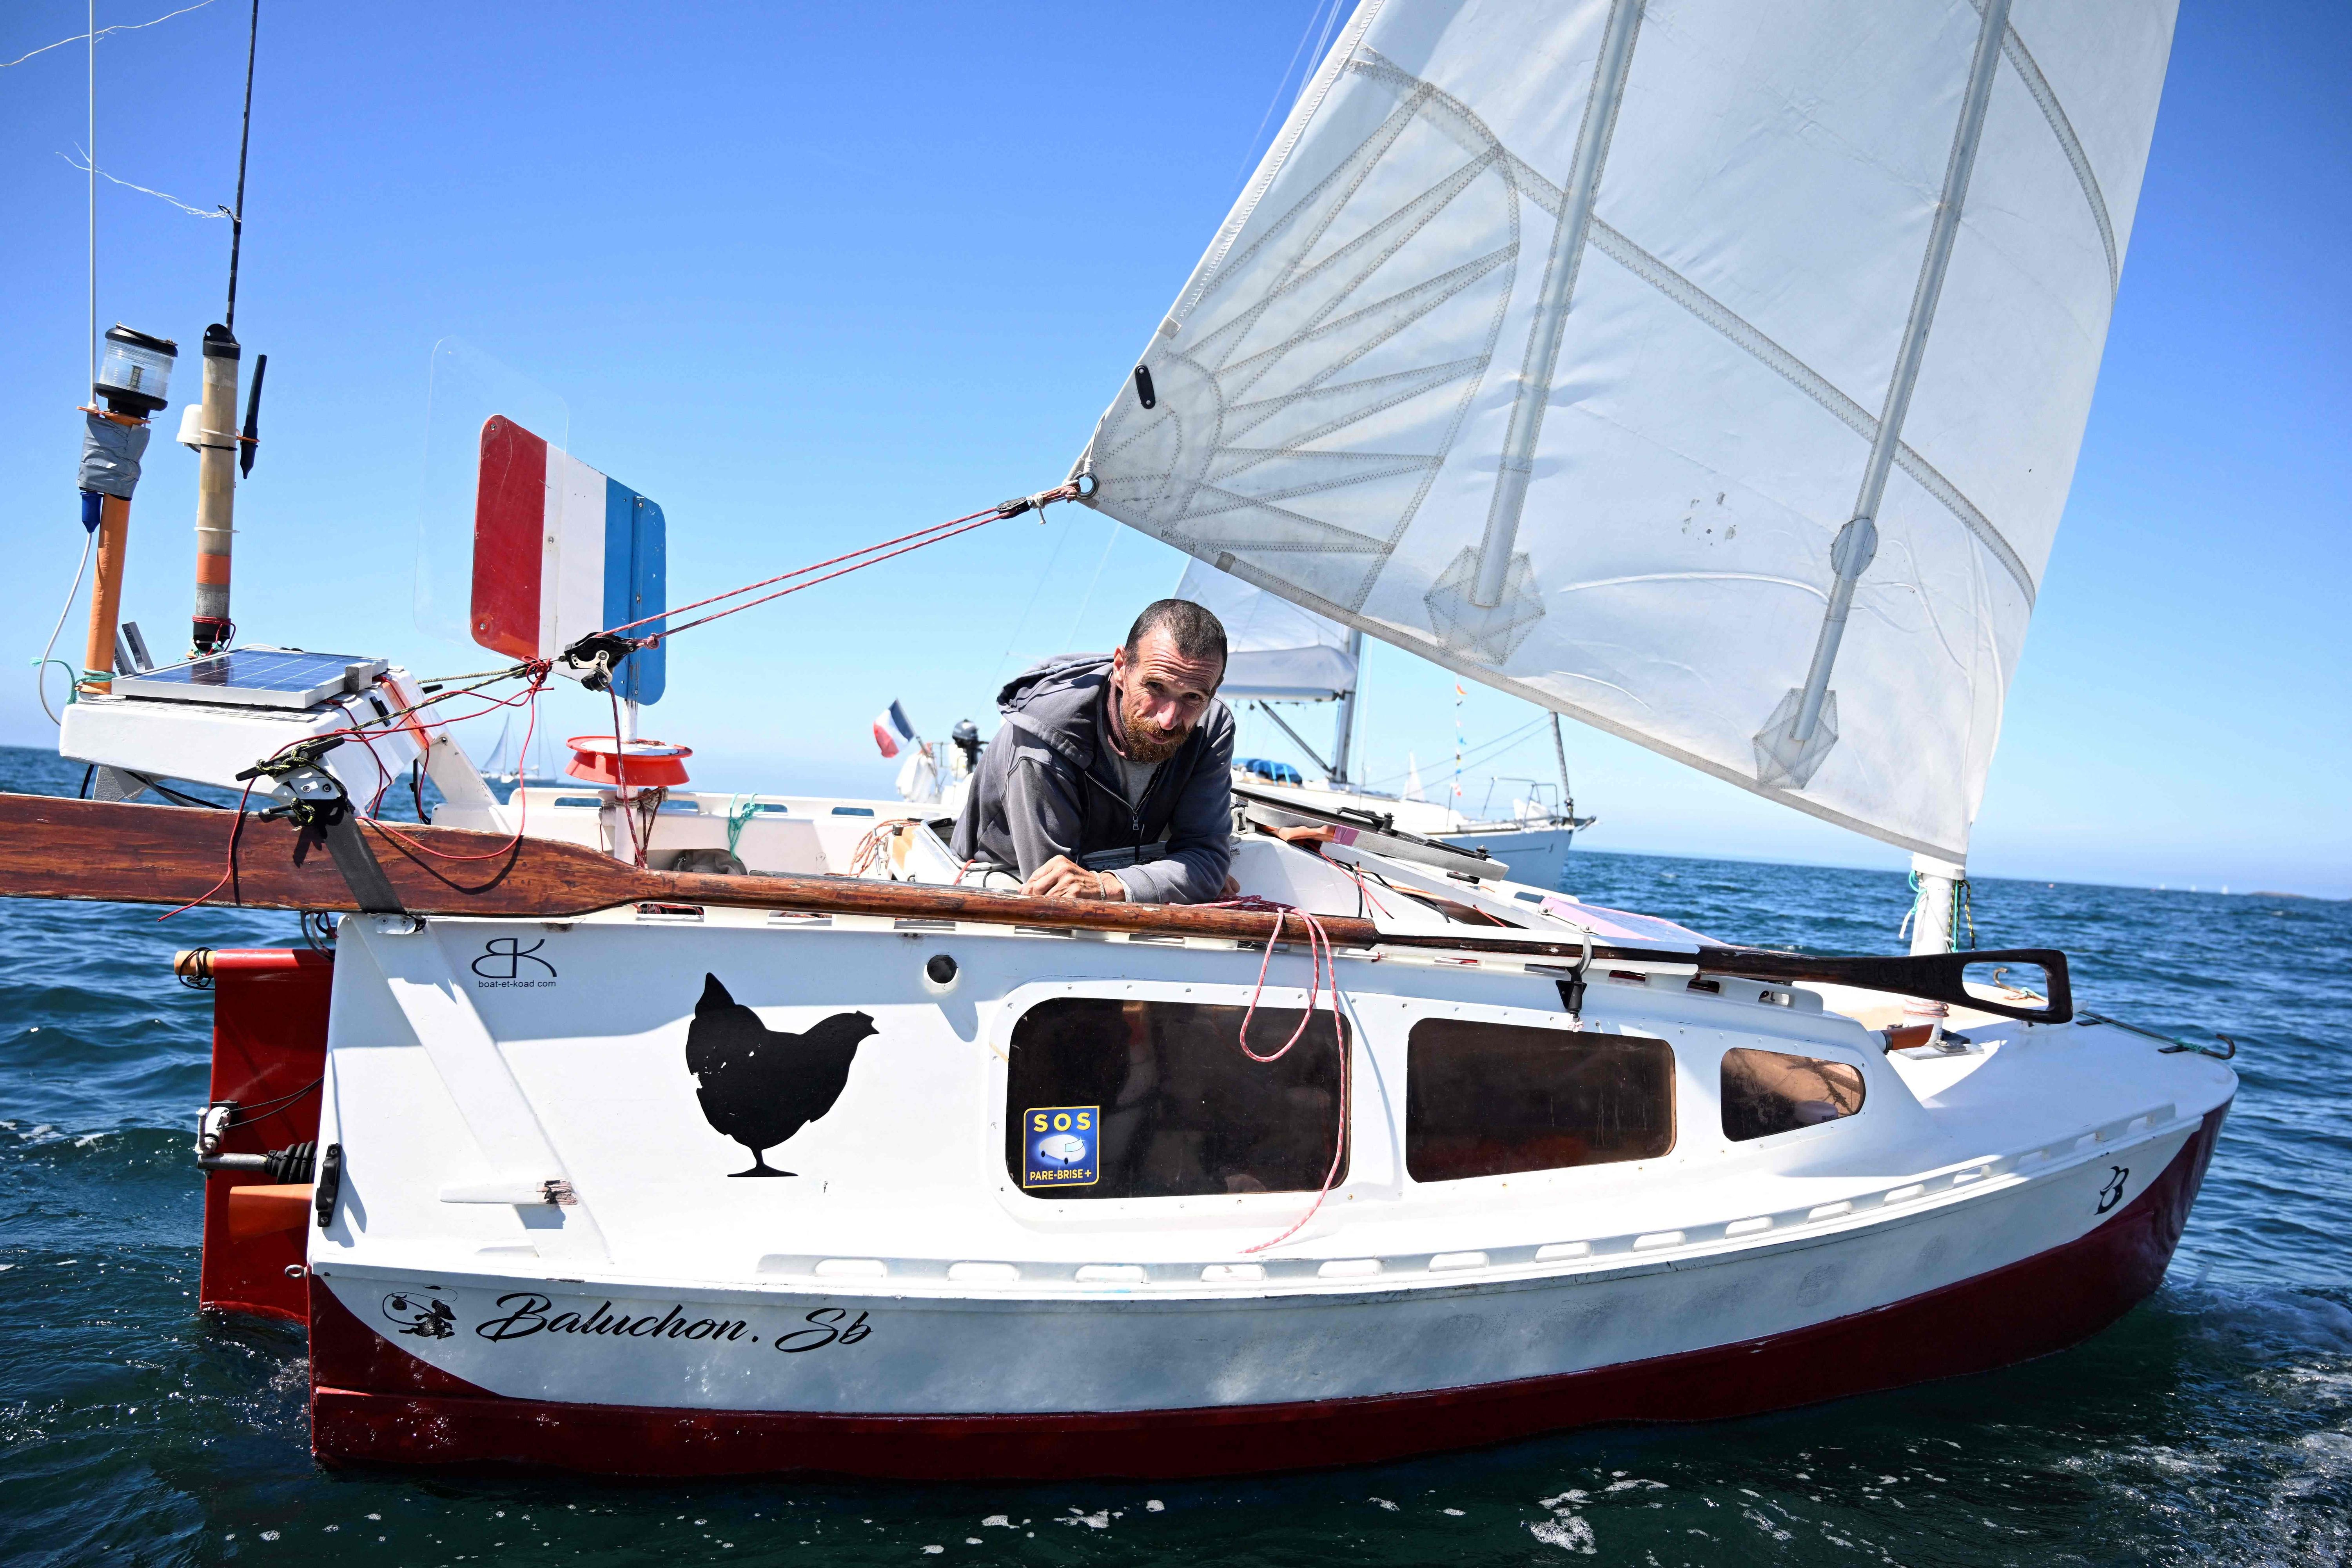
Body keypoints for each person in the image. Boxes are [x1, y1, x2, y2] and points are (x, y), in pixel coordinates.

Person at [950, 599, 1234, 904]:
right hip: (997, 881)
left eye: (1192, 697)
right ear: (1122, 668)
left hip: (1113, 873)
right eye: (1155, 687)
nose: (1168, 720)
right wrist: (1175, 880)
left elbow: (1207, 858)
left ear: (1213, 692)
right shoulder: (1045, 734)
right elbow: (1057, 891)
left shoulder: (1211, 727)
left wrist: (1110, 885)